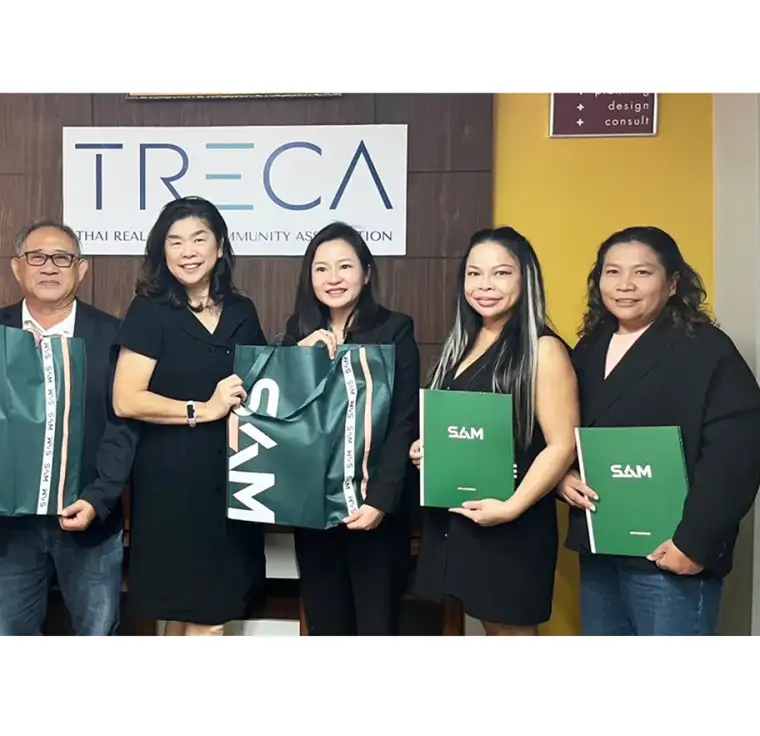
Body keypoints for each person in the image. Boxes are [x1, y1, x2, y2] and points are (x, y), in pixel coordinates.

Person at [557, 226, 760, 636]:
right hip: (602, 547)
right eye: (612, 272)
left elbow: (736, 455)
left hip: (670, 554)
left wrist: (694, 544)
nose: (625, 285)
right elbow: (563, 427)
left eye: (642, 272)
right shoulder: (590, 348)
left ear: (672, 284)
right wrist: (562, 475)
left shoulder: (706, 348)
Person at [409, 226, 579, 635]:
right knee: (490, 629)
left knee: (510, 633)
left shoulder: (543, 349)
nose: (485, 285)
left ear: (526, 279)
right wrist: (428, 449)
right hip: (460, 520)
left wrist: (512, 507)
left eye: (501, 273)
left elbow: (562, 446)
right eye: (474, 273)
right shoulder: (460, 345)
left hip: (512, 525)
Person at [0, 219, 138, 636]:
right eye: (37, 257)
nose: (49, 267)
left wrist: (99, 499)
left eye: (62, 258)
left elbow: (123, 427)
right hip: (9, 527)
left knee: (97, 634)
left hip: (89, 520)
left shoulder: (113, 335)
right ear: (17, 267)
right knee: (12, 636)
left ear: (81, 269)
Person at [112, 196, 267, 636]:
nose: (187, 252)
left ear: (219, 247)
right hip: (172, 487)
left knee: (191, 618)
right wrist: (204, 409)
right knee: (204, 620)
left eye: (199, 239)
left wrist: (303, 353)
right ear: (162, 251)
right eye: (175, 241)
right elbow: (126, 399)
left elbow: (262, 381)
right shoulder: (149, 311)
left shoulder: (242, 310)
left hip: (234, 484)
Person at [277, 222, 419, 635]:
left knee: (376, 626)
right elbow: (281, 416)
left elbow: (403, 420)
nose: (333, 278)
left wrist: (380, 501)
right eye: (321, 269)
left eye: (345, 266)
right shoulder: (297, 330)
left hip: (374, 508)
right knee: (326, 625)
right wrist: (295, 358)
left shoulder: (395, 329)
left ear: (367, 272)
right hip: (315, 509)